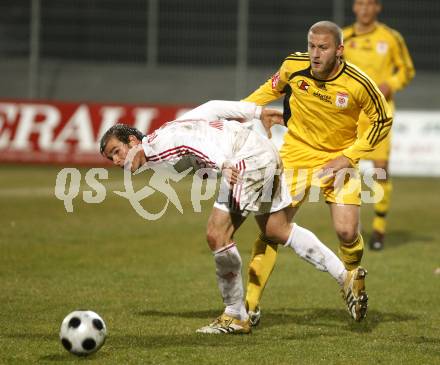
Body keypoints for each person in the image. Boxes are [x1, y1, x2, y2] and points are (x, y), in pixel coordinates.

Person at [99, 100, 366, 334]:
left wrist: (222, 163)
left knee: (217, 234)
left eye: (117, 151)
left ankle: (235, 314)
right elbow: (213, 107)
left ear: (132, 141)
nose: (117, 160)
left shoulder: (157, 146)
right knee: (277, 229)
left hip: (243, 160)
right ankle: (346, 277)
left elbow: (196, 143)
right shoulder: (168, 130)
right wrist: (256, 111)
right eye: (111, 157)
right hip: (260, 152)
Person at [242, 20, 393, 326]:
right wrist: (240, 112)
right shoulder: (293, 66)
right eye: (311, 46)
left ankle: (351, 279)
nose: (314, 53)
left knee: (347, 232)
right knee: (272, 228)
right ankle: (249, 306)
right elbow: (264, 92)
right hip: (295, 155)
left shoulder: (359, 83)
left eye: (322, 47)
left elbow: (382, 121)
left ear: (339, 50)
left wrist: (348, 157)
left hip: (339, 159)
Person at [343, 0, 415, 250]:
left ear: (378, 8)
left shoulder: (390, 37)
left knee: (380, 170)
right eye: (360, 3)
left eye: (369, 4)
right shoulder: (343, 37)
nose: (364, 8)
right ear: (354, 7)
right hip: (349, 115)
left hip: (379, 115)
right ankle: (351, 226)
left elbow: (406, 69)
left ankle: (379, 230)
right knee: (346, 170)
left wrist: (391, 85)